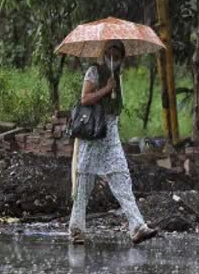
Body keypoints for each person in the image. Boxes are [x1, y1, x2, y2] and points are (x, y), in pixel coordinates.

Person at [68, 40, 158, 245]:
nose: (112, 59)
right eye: (109, 54)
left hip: (111, 134)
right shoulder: (94, 72)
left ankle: (137, 226)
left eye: (117, 56)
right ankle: (76, 229)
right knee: (84, 182)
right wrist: (106, 89)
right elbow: (84, 99)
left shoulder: (118, 76)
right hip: (93, 135)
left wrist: (113, 87)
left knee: (121, 177)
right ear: (103, 54)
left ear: (121, 58)